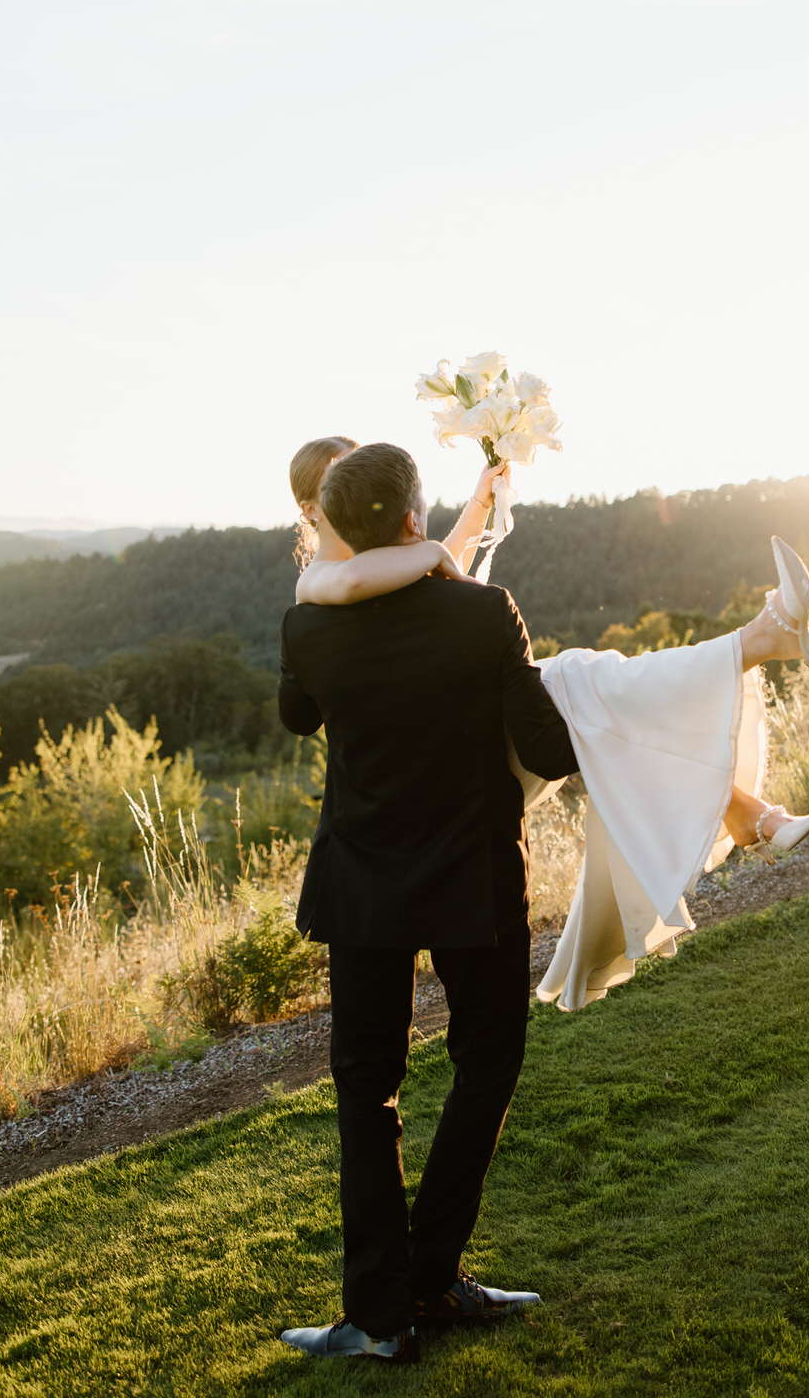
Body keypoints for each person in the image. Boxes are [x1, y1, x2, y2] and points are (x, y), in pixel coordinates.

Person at [291, 440, 809, 1011]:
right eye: (338, 480)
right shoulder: (323, 582)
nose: (353, 486)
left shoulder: (384, 562)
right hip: (448, 771)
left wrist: (477, 505)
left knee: (592, 693)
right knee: (582, 683)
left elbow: (415, 569)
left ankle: (744, 802)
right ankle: (757, 655)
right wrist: (435, 554)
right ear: (313, 507)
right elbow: (379, 577)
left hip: (452, 755)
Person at [278, 442, 579, 1365]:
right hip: (473, 877)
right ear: (414, 517)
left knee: (366, 1091)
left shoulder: (310, 626)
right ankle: (433, 1276)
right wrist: (598, 692)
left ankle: (379, 1312)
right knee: (487, 1064)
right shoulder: (485, 613)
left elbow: (298, 718)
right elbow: (552, 748)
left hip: (363, 879)